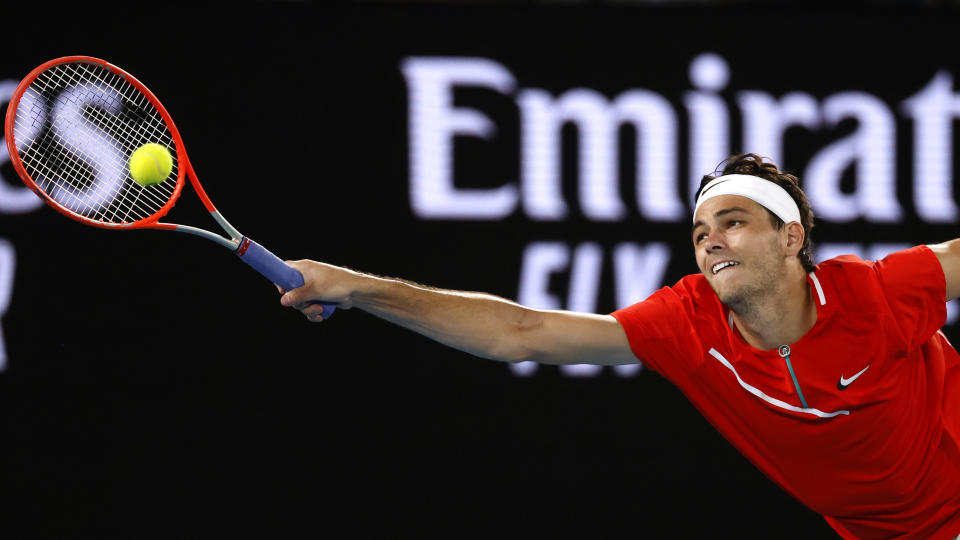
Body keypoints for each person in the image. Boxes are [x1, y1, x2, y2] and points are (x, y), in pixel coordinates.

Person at [278, 153, 960, 540]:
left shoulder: (876, 293)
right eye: (699, 232)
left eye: (733, 222)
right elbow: (517, 331)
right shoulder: (685, 322)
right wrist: (357, 288)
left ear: (791, 239)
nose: (710, 240)